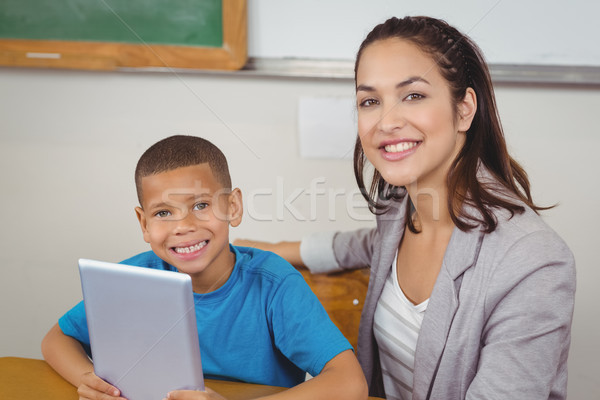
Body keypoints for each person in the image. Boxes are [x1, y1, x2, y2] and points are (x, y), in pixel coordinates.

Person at [235, 16, 576, 400]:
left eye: (413, 95)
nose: (387, 121)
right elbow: (361, 245)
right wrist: (269, 250)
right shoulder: (398, 214)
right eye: (370, 101)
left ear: (464, 109)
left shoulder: (535, 262)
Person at [41, 135, 368, 400]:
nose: (183, 226)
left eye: (200, 205)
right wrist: (89, 380)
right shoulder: (133, 281)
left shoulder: (274, 283)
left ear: (233, 207)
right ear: (144, 224)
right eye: (163, 213)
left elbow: (350, 382)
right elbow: (56, 338)